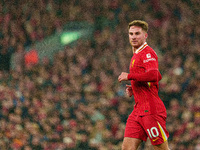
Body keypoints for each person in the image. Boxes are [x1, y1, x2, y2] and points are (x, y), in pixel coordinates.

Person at [118, 20, 170, 150]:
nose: (134, 36)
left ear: (145, 35)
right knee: (127, 148)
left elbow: (154, 75)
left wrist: (129, 77)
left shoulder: (147, 53)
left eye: (137, 33)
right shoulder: (136, 54)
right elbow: (152, 76)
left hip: (151, 110)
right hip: (138, 110)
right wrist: (135, 87)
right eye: (131, 34)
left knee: (160, 148)